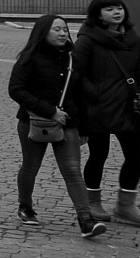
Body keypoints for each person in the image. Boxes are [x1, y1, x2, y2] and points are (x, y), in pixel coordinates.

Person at [68, 0, 140, 228]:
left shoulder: (132, 37)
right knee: (98, 154)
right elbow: (76, 75)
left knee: (135, 156)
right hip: (97, 108)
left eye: (119, 8)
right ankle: (92, 203)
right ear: (98, 15)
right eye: (110, 9)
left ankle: (125, 207)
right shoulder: (87, 40)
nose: (116, 12)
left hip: (127, 106)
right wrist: (96, 94)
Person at [8, 13, 104, 236]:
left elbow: (79, 96)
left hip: (68, 122)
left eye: (65, 29)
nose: (62, 33)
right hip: (33, 121)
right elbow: (16, 90)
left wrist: (83, 128)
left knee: (72, 171)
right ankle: (25, 206)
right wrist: (50, 112)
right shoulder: (29, 58)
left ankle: (85, 219)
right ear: (43, 32)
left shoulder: (72, 59)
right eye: (56, 29)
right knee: (31, 166)